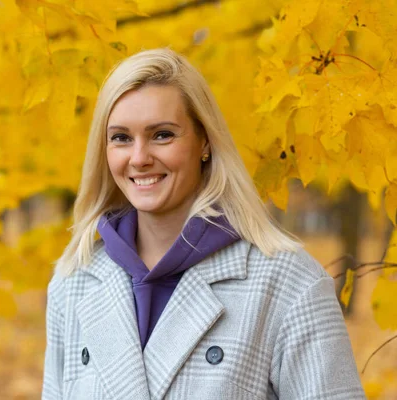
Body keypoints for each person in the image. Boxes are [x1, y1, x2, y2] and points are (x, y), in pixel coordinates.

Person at [41, 48, 365, 400]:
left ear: (204, 142)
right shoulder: (74, 283)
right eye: (121, 138)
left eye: (162, 134)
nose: (139, 158)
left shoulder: (287, 282)